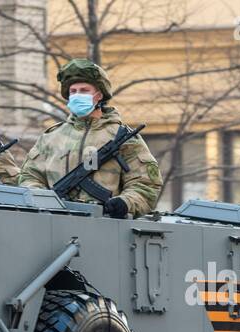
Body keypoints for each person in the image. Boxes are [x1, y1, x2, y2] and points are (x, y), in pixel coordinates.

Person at [17, 59, 163, 218]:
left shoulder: (123, 137)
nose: (77, 95)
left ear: (99, 95)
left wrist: (125, 203)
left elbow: (146, 185)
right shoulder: (51, 137)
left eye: (84, 90)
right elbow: (29, 176)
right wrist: (43, 200)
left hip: (105, 226)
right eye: (73, 91)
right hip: (54, 222)